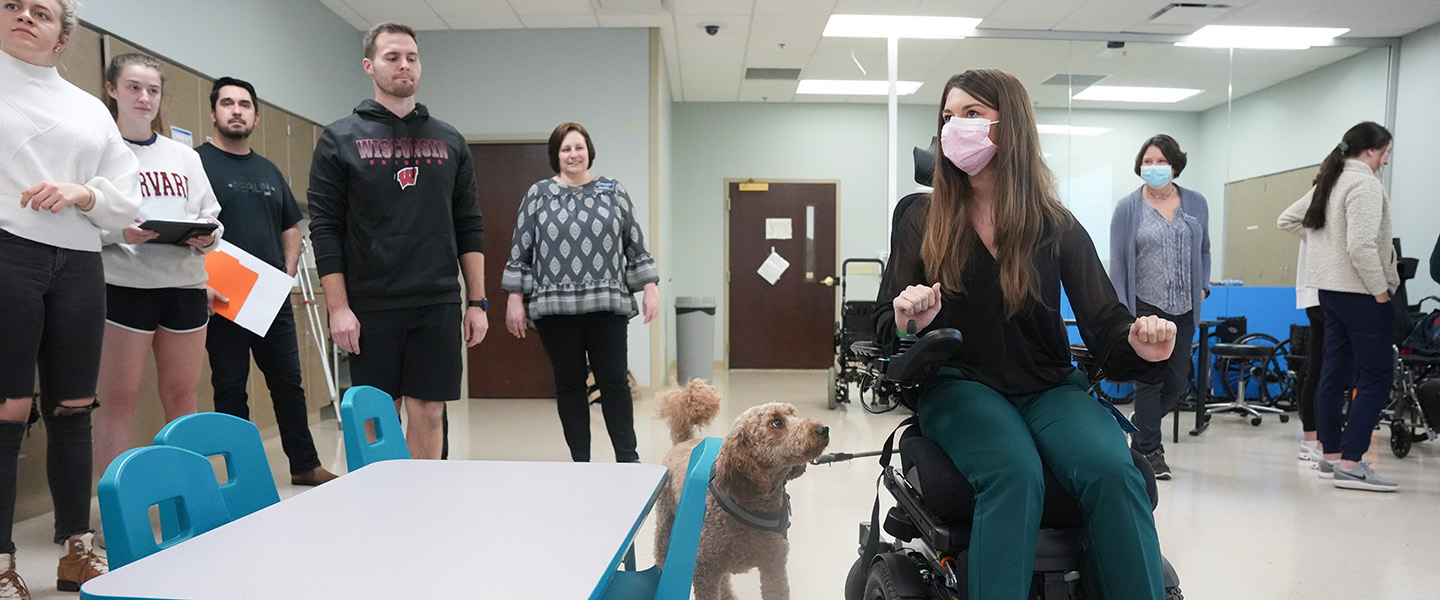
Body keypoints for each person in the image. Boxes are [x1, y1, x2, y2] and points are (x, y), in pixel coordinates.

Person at [875, 69, 1174, 600]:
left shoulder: (1054, 224)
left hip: (1048, 385)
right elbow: (884, 331)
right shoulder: (921, 218)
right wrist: (907, 318)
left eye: (970, 114)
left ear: (1009, 128)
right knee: (1014, 474)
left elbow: (1106, 325)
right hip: (958, 383)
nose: (953, 128)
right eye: (947, 117)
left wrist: (1140, 342)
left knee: (1116, 471)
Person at [0, 0, 141, 595]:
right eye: (13, 6)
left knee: (74, 408)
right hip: (8, 252)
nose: (26, 16)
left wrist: (83, 192)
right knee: (7, 410)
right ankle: (1, 561)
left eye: (42, 12)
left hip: (80, 263)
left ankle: (75, 550)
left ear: (62, 37)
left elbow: (128, 195)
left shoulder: (88, 109)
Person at [308, 22, 487, 460]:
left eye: (411, 56)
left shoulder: (449, 141)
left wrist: (477, 302)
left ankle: (424, 512)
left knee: (428, 411)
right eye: (392, 57)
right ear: (370, 66)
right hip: (371, 304)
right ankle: (377, 514)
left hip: (437, 302)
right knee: (376, 415)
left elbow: (470, 224)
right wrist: (338, 309)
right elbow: (325, 227)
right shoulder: (339, 140)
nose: (403, 65)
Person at [197, 77, 337, 487]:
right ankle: (243, 474)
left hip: (269, 295)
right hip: (221, 295)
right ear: (214, 113)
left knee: (288, 383)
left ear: (256, 115)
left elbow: (290, 227)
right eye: (227, 103)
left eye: (244, 104)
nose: (236, 110)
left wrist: (287, 272)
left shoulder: (269, 170)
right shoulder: (198, 163)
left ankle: (305, 465)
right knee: (229, 387)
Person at [92, 53, 223, 474]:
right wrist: (118, 233)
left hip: (183, 284)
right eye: (133, 87)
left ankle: (189, 496)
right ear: (112, 90)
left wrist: (207, 235)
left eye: (153, 89)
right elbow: (79, 225)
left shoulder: (183, 156)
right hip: (124, 285)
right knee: (118, 398)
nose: (144, 97)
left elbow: (210, 214)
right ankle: (118, 511)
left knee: (183, 396)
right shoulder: (97, 152)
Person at [501, 123, 659, 463]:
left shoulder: (613, 191)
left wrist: (650, 288)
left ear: (589, 151)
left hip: (606, 305)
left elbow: (634, 243)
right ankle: (580, 462)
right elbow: (520, 250)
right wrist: (515, 299)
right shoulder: (538, 195)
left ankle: (627, 459)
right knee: (569, 385)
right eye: (566, 149)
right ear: (556, 155)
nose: (573, 154)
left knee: (614, 382)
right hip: (555, 309)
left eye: (579, 147)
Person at [1278, 121, 1399, 492]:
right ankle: (1351, 461)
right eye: (1386, 153)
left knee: (1335, 371)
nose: (1387, 161)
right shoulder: (1363, 184)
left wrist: (1322, 245)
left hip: (1329, 292)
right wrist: (1380, 290)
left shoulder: (1330, 180)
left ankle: (1330, 455)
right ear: (1372, 151)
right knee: (1377, 376)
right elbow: (1361, 247)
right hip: (1362, 294)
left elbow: (1290, 219)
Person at [1109, 134, 1210, 480]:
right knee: (1148, 383)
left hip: (1184, 309)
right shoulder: (1128, 207)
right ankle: (1150, 450)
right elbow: (1119, 264)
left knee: (1175, 384)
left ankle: (1140, 426)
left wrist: (1204, 287)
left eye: (1160, 162)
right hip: (1146, 307)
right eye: (1147, 162)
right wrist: (1124, 311)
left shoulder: (1196, 203)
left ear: (1175, 165)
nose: (1153, 168)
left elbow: (1205, 250)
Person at [1292, 240, 1326, 463]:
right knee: (1322, 370)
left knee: (1318, 367)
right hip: (1322, 295)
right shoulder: (1319, 208)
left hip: (1315, 295)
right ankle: (1317, 442)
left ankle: (1312, 440)